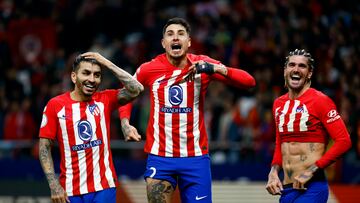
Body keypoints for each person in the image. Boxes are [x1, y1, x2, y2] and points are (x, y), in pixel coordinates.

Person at [119, 17, 256, 203]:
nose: (175, 38)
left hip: (195, 158)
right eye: (170, 34)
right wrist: (125, 123)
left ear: (189, 42)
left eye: (181, 34)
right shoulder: (148, 69)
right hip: (160, 156)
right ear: (163, 43)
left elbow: (249, 82)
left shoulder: (202, 64)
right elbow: (126, 94)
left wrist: (214, 68)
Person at [38, 52, 143, 203]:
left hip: (104, 187)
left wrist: (105, 62)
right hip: (69, 191)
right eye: (86, 73)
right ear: (74, 77)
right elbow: (44, 147)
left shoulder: (105, 99)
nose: (92, 79)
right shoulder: (55, 105)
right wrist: (54, 185)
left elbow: (136, 88)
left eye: (97, 75)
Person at [265, 49, 352, 202]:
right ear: (285, 70)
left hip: (312, 187)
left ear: (310, 73)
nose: (296, 69)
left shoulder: (321, 101)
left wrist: (311, 171)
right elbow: (281, 142)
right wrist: (273, 171)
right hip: (287, 190)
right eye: (291, 65)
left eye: (302, 66)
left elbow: (344, 141)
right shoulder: (278, 104)